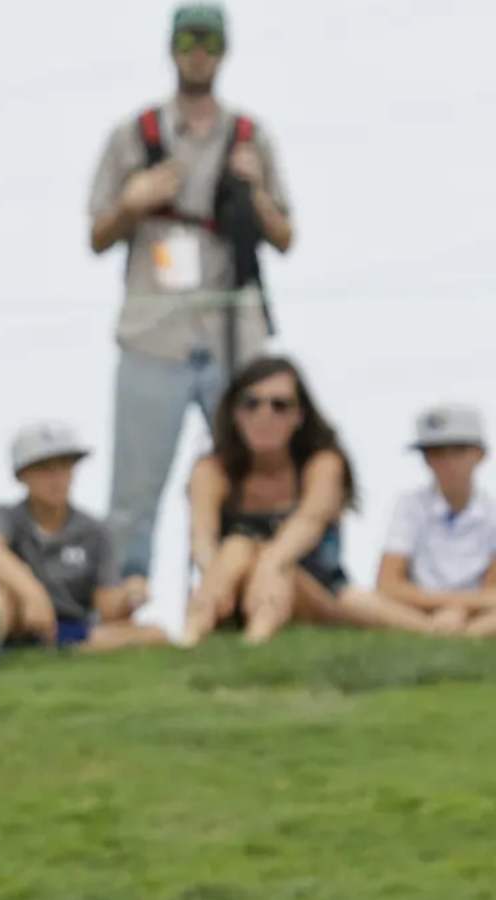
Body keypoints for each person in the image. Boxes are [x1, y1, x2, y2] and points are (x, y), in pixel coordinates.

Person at [88, 3, 294, 587]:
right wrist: (133, 201)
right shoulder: (134, 136)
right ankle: (125, 598)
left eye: (208, 41)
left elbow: (286, 235)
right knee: (136, 481)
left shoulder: (251, 137)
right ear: (173, 48)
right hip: (154, 331)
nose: (198, 51)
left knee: (250, 471)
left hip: (235, 332)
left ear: (223, 50)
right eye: (188, 41)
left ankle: (243, 586)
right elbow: (96, 235)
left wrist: (254, 191)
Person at [181, 357, 452, 645]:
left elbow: (308, 523)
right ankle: (216, 633)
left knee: (264, 560)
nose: (265, 415)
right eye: (252, 403)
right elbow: (202, 539)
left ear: (300, 416)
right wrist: (223, 578)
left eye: (279, 405)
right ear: (235, 412)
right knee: (237, 549)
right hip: (232, 583)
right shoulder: (212, 470)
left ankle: (235, 639)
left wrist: (267, 563)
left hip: (321, 589)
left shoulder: (321, 464)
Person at [0, 422, 163, 672]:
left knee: (154, 634)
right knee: (3, 595)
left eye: (65, 467)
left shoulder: (95, 531)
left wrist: (130, 597)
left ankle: (67, 649)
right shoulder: (9, 517)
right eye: (45, 470)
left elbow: (107, 606)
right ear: (23, 475)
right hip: (20, 619)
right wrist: (33, 594)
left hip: (72, 627)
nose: (57, 479)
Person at [376, 404, 496, 635]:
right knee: (355, 599)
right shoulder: (409, 504)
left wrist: (458, 610)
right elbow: (387, 584)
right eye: (436, 453)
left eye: (458, 451)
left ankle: (451, 632)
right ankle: (458, 633)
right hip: (419, 609)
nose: (448, 463)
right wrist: (450, 607)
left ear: (480, 454)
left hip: (473, 611)